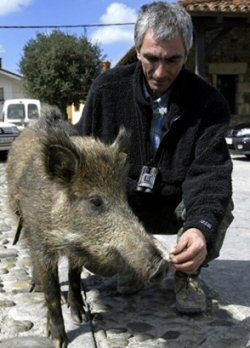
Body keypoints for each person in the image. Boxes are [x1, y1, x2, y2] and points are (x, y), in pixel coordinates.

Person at [75, 1, 234, 314]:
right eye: (152, 58)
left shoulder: (209, 103)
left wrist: (199, 229)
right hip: (125, 205)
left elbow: (211, 175)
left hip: (176, 203)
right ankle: (131, 265)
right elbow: (81, 150)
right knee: (96, 256)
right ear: (137, 50)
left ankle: (188, 273)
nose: (161, 72)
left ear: (186, 54)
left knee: (218, 208)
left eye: (173, 60)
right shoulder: (107, 90)